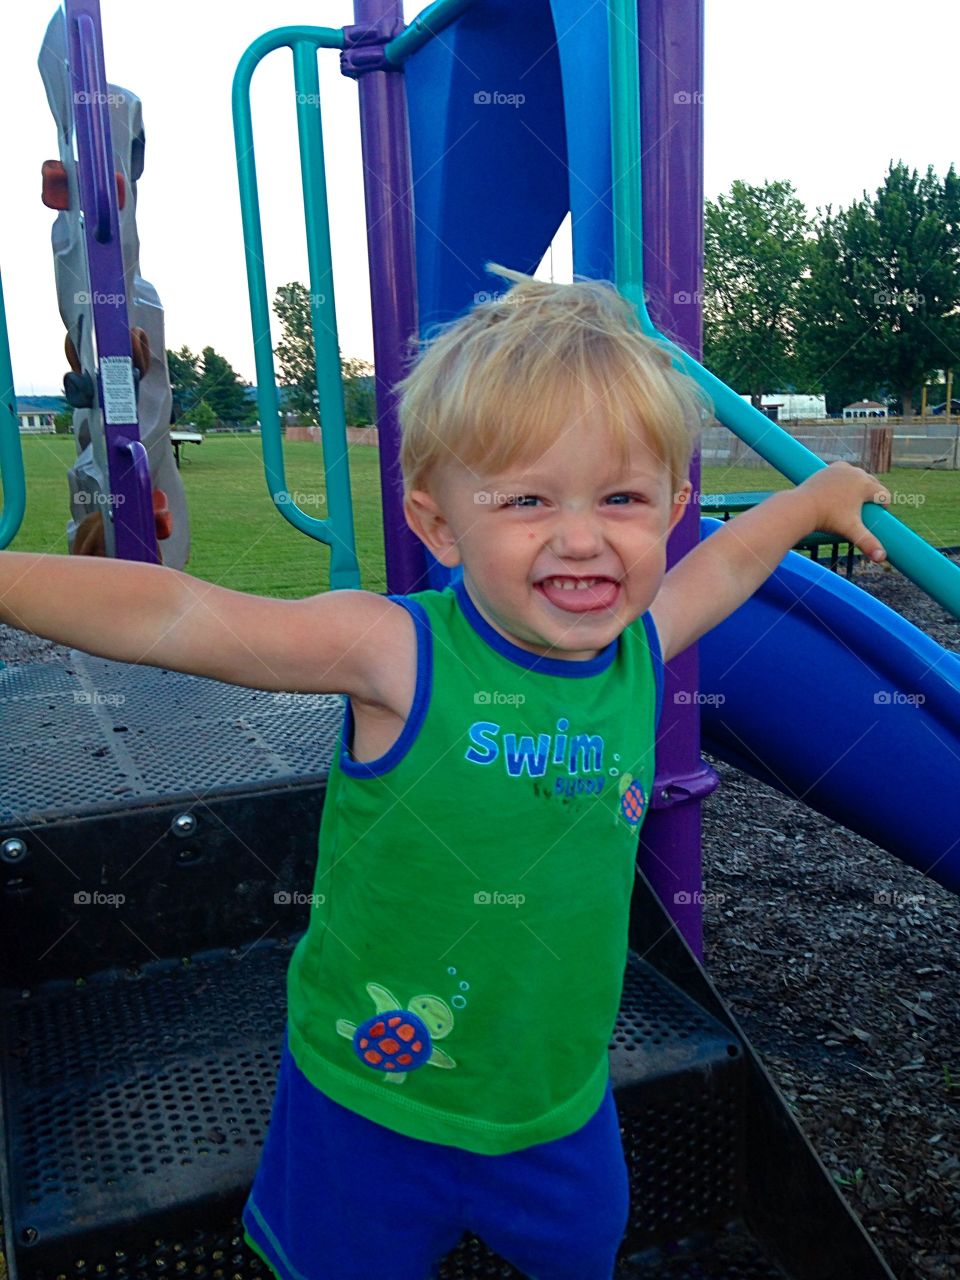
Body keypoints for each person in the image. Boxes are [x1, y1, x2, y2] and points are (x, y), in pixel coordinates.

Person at [0, 265, 892, 1280]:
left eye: (622, 498)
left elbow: (728, 564)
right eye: (526, 497)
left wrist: (811, 497)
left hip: (554, 1107)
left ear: (671, 507)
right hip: (370, 1102)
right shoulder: (396, 653)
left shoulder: (642, 647)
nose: (582, 534)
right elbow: (176, 615)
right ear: (436, 523)